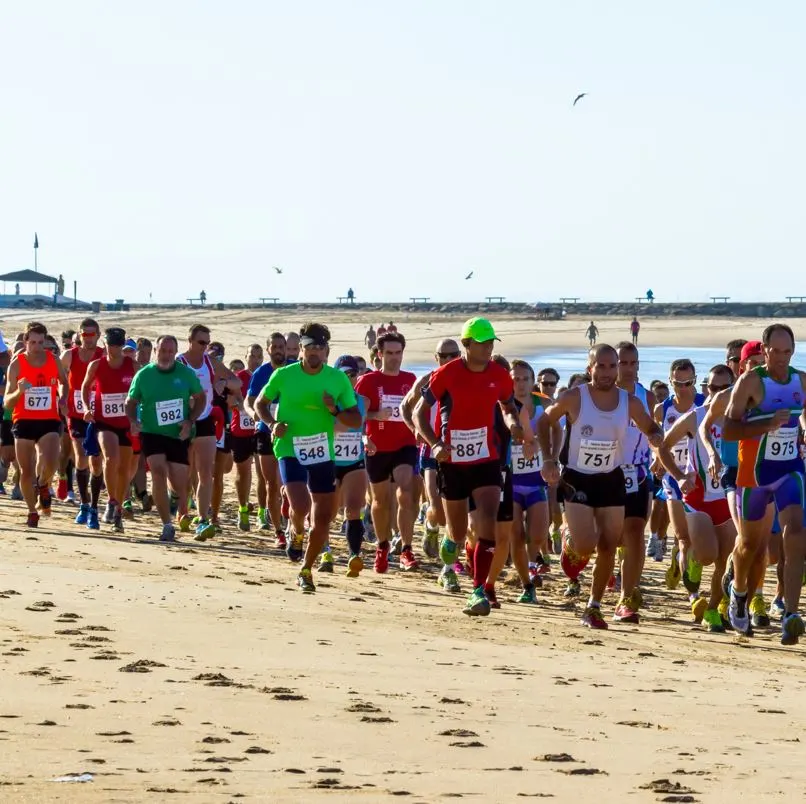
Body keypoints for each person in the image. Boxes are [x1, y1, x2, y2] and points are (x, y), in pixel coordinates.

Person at [537, 345, 662, 629]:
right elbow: (544, 422)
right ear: (589, 367)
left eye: (612, 366)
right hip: (578, 477)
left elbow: (649, 426)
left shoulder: (628, 402)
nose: (607, 373)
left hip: (611, 478)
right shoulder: (574, 398)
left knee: (608, 544)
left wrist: (656, 436)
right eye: (601, 366)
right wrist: (548, 458)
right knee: (586, 544)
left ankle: (593, 607)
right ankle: (570, 539)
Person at [413, 318, 530, 616]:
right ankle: (449, 545)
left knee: (486, 523)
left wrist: (514, 423)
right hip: (451, 461)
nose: (489, 347)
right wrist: (435, 443)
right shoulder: (447, 374)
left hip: (486, 459)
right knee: (457, 529)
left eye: (491, 342)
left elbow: (507, 407)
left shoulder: (499, 375)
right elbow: (418, 411)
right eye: (482, 342)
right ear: (466, 345)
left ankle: (478, 591)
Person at [254, 323, 361, 592]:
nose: (314, 352)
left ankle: (306, 569)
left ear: (327, 351)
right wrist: (271, 424)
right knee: (300, 506)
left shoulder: (336, 379)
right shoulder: (284, 375)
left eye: (320, 348)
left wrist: (334, 409)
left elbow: (355, 418)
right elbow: (260, 403)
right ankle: (296, 530)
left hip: (322, 449)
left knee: (324, 518)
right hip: (289, 445)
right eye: (309, 347)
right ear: (300, 349)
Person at [722, 323, 806, 645]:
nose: (782, 357)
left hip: (789, 469)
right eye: (776, 351)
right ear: (765, 350)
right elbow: (729, 430)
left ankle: (792, 614)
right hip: (754, 475)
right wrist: (765, 424)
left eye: (788, 351)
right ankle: (739, 590)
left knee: (795, 533)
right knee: (749, 547)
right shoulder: (751, 382)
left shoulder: (800, 381)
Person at [658, 364, 737, 633]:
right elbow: (664, 448)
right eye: (712, 388)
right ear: (706, 388)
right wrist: (680, 476)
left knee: (724, 561)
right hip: (698, 497)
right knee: (706, 556)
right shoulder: (696, 417)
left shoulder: (742, 416)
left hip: (728, 497)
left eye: (724, 388)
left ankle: (713, 609)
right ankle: (689, 557)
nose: (717, 393)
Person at [125, 335, 206, 542]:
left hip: (178, 434)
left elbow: (200, 398)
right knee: (158, 473)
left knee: (180, 482)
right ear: (156, 352)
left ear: (175, 352)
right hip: (152, 432)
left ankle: (176, 498)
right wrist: (133, 421)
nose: (166, 355)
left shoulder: (186, 374)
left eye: (170, 351)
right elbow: (130, 402)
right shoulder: (144, 375)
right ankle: (166, 525)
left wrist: (190, 420)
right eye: (162, 351)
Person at [355, 332, 419, 572]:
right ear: (379, 354)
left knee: (405, 490)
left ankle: (406, 548)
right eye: (389, 353)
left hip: (405, 445)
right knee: (380, 501)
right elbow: (357, 416)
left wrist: (420, 431)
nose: (394, 358)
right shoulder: (369, 381)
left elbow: (417, 412)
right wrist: (371, 422)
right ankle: (382, 546)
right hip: (377, 446)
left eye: (398, 353)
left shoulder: (410, 379)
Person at [400, 338, 461, 583]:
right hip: (430, 450)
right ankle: (431, 525)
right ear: (436, 358)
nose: (448, 360)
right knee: (437, 506)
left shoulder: (465, 380)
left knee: (455, 509)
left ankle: (450, 561)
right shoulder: (426, 380)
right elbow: (406, 407)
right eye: (443, 356)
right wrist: (414, 429)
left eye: (452, 355)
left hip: (459, 452)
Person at [177, 324, 242, 540]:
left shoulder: (209, 362)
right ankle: (182, 511)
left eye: (207, 342)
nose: (204, 346)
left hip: (205, 419)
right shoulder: (180, 362)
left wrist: (222, 382)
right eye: (201, 342)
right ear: (190, 340)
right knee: (184, 472)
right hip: (182, 421)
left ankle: (203, 519)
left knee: (206, 473)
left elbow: (237, 381)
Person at [4, 322, 69, 527]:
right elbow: (7, 401)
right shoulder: (17, 364)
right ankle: (32, 511)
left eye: (41, 342)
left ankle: (43, 485)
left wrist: (62, 398)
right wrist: (19, 391)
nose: (37, 347)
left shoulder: (53, 360)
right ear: (25, 341)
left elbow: (64, 382)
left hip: (48, 419)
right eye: (33, 342)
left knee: (51, 462)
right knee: (26, 470)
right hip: (23, 420)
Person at [613, 342, 656, 623]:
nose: (628, 369)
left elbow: (655, 433)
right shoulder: (603, 397)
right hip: (605, 473)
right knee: (608, 537)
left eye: (632, 363)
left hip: (638, 472)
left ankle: (626, 598)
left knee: (635, 532)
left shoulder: (647, 397)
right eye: (622, 363)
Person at [81, 327, 138, 532]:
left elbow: (141, 389)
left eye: (117, 345)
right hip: (103, 421)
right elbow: (85, 387)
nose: (113, 349)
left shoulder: (133, 365)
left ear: (122, 345)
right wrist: (87, 408)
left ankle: (119, 508)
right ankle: (112, 501)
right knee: (111, 458)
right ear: (104, 344)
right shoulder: (96, 365)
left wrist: (138, 414)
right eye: (110, 344)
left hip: (126, 422)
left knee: (124, 469)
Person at [61, 319, 105, 529]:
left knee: (96, 462)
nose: (88, 338)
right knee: (80, 456)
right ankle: (84, 503)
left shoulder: (103, 356)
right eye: (84, 334)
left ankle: (94, 505)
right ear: (79, 335)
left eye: (92, 334)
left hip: (99, 414)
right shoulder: (70, 355)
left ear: (98, 335)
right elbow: (59, 377)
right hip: (76, 413)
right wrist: (61, 399)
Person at [245, 332, 288, 542]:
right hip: (265, 430)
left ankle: (290, 519)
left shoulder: (294, 370)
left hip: (291, 432)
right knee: (272, 483)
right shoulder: (262, 372)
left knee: (290, 482)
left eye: (282, 346)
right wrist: (255, 413)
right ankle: (279, 531)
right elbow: (251, 399)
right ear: (268, 349)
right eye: (276, 346)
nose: (279, 350)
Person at [327, 355, 367, 576]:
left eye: (352, 374)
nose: (348, 378)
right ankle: (325, 551)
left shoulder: (361, 400)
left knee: (354, 509)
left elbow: (358, 427)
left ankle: (354, 555)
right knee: (328, 512)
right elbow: (333, 429)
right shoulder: (328, 400)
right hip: (330, 460)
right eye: (343, 374)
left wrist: (366, 439)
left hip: (354, 460)